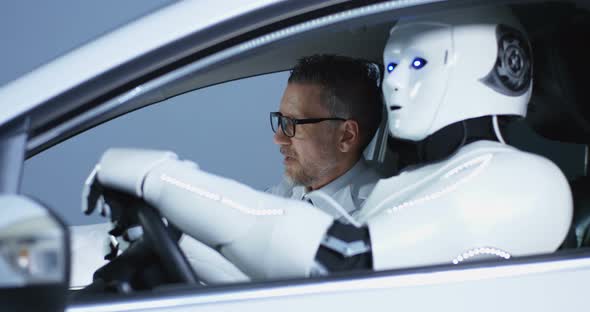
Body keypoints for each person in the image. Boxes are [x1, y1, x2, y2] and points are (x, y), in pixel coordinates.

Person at [85, 5, 572, 284]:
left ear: (496, 64)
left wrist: (165, 179)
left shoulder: (526, 182)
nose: (395, 85)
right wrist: (174, 234)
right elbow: (285, 286)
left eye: (418, 65)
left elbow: (340, 263)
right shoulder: (424, 184)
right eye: (393, 67)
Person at [267, 55, 383, 219]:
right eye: (282, 120)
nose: (278, 138)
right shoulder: (290, 189)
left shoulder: (377, 218)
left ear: (346, 136)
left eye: (293, 122)